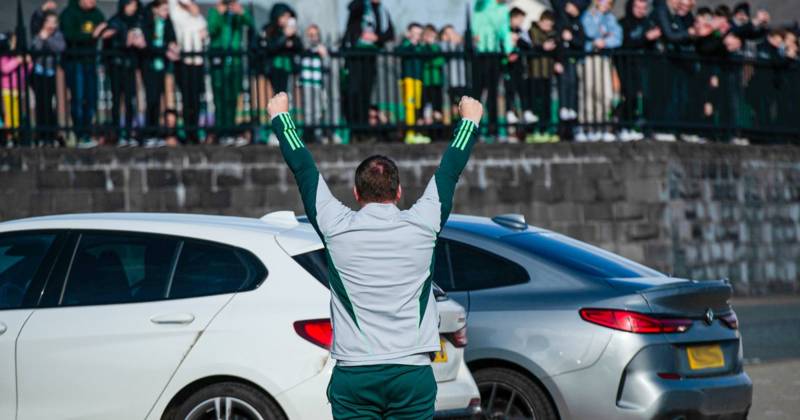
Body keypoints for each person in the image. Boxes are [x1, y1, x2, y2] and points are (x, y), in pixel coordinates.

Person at [267, 90, 483, 420]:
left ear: (356, 194)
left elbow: (304, 170)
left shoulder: (336, 226)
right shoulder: (423, 223)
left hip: (356, 372)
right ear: (398, 192)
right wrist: (469, 120)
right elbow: (450, 170)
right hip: (411, 371)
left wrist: (281, 118)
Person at [342, 0, 394, 135]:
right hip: (355, 55)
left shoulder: (382, 10)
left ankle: (364, 129)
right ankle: (354, 128)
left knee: (366, 92)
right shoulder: (360, 6)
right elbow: (352, 8)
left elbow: (390, 33)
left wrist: (376, 37)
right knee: (355, 91)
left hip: (371, 55)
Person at [60, 0, 108, 147]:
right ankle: (80, 133)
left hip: (90, 62)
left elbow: (106, 27)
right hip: (75, 62)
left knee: (92, 99)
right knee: (78, 98)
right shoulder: (68, 13)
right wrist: (93, 35)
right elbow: (70, 36)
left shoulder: (97, 13)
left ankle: (87, 132)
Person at [207, 0, 254, 145]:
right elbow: (212, 30)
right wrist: (219, 14)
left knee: (232, 98)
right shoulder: (214, 12)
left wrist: (242, 12)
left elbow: (251, 24)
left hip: (234, 63)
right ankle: (221, 131)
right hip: (219, 63)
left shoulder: (237, 14)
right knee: (219, 98)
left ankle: (231, 130)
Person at [103, 0, 145, 146]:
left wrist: (141, 44)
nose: (133, 8)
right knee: (116, 100)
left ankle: (128, 132)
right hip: (116, 66)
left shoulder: (138, 21)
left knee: (130, 100)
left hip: (130, 66)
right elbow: (107, 42)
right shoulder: (115, 21)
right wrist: (124, 40)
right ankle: (116, 133)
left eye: (134, 5)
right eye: (130, 5)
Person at [617, 0, 660, 141]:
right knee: (630, 96)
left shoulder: (648, 23)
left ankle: (647, 128)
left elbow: (654, 46)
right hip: (628, 66)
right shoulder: (624, 23)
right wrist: (645, 38)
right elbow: (625, 43)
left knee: (647, 97)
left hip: (646, 66)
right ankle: (625, 126)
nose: (641, 10)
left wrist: (654, 40)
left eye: (644, 8)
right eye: (638, 7)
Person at [580, 0, 622, 142]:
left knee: (606, 94)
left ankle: (602, 124)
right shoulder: (587, 15)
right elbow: (589, 32)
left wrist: (604, 41)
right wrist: (602, 33)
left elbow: (617, 38)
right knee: (589, 93)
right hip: (589, 58)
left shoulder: (610, 18)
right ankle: (588, 126)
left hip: (604, 59)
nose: (606, 4)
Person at [472, 0, 513, 140]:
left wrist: (509, 49)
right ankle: (474, 129)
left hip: (494, 54)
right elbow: (475, 21)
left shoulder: (503, 10)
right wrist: (474, 34)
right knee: (477, 93)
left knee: (493, 93)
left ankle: (492, 128)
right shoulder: (481, 4)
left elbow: (505, 30)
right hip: (479, 53)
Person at [169, 0, 207, 144]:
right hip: (183, 61)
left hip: (197, 60)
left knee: (196, 98)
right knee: (186, 98)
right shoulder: (175, 10)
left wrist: (193, 10)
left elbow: (203, 28)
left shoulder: (196, 16)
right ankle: (187, 130)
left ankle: (195, 131)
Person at [141, 0, 178, 146]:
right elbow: (147, 45)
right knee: (151, 99)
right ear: (155, 9)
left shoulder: (167, 23)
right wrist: (165, 50)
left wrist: (172, 46)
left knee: (159, 100)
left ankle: (156, 132)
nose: (166, 13)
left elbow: (172, 39)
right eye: (163, 9)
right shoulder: (147, 21)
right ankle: (149, 132)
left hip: (162, 66)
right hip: (149, 66)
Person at [31, 11, 66, 145]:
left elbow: (59, 48)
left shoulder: (57, 35)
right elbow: (35, 48)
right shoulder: (38, 34)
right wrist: (41, 37)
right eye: (49, 21)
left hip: (51, 73)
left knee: (50, 104)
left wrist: (47, 38)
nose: (51, 24)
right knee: (40, 104)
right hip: (38, 73)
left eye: (54, 22)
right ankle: (41, 134)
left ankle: (51, 134)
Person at [552, 0, 587, 139]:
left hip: (572, 61)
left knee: (573, 88)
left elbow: (581, 42)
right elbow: (556, 43)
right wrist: (557, 60)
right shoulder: (559, 22)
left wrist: (571, 38)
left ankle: (572, 126)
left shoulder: (578, 23)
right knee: (563, 91)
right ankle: (562, 129)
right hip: (562, 61)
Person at [527, 10, 559, 143]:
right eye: (546, 24)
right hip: (534, 73)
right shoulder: (532, 31)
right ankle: (533, 130)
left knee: (547, 103)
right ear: (540, 21)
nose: (548, 27)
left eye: (550, 25)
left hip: (547, 73)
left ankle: (546, 129)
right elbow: (531, 46)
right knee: (535, 103)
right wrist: (542, 47)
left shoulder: (553, 34)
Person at [260, 3, 302, 96]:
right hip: (274, 68)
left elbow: (299, 47)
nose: (287, 19)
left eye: (288, 16)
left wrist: (292, 41)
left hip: (289, 67)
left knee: (288, 94)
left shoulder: (292, 32)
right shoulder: (269, 30)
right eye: (284, 16)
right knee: (277, 94)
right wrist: (285, 36)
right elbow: (270, 47)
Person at [505, 7, 535, 134]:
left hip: (520, 67)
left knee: (523, 90)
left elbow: (529, 46)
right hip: (507, 68)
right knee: (510, 90)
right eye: (519, 19)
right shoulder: (505, 31)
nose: (521, 22)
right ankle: (510, 112)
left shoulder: (521, 32)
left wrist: (519, 40)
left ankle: (525, 113)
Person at [397, 23, 427, 144]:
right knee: (409, 107)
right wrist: (409, 42)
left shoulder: (421, 47)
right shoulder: (406, 44)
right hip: (408, 80)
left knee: (417, 107)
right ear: (409, 33)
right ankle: (410, 134)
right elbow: (399, 51)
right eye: (414, 33)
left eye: (419, 34)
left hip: (418, 80)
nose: (416, 36)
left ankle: (416, 132)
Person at [299, 24, 330, 143]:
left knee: (317, 108)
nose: (313, 38)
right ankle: (308, 134)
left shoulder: (321, 49)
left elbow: (327, 66)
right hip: (306, 83)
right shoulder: (303, 49)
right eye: (310, 35)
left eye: (315, 35)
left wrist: (324, 55)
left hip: (317, 83)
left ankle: (317, 133)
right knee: (307, 109)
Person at [0, 33, 29, 143]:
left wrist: (28, 63)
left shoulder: (18, 55)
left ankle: (15, 136)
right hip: (7, 90)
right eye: (13, 41)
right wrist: (18, 61)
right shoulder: (5, 55)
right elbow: (4, 68)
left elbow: (26, 72)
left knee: (17, 115)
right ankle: (8, 136)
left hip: (19, 89)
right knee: (8, 115)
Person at [439, 25, 467, 122]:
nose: (452, 35)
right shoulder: (444, 45)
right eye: (448, 33)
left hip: (463, 81)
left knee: (463, 105)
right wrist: (450, 41)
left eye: (453, 32)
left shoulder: (461, 45)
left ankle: (463, 123)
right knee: (454, 106)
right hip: (451, 82)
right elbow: (444, 49)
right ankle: (455, 124)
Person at [421, 24, 446, 132]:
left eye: (432, 35)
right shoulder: (422, 48)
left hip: (437, 82)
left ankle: (438, 129)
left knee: (437, 106)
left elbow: (441, 60)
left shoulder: (437, 47)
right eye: (428, 35)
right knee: (427, 106)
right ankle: (428, 129)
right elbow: (424, 62)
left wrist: (431, 62)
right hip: (426, 82)